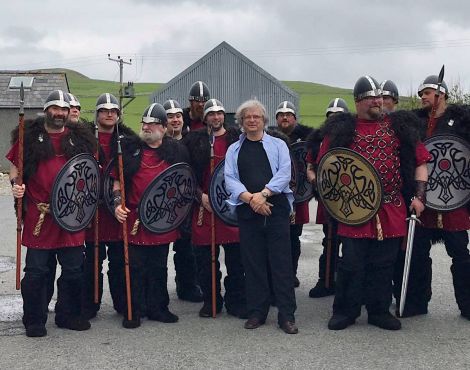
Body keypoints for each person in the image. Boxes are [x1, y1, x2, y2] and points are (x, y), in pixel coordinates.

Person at [317, 76, 431, 331]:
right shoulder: (341, 130)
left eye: (379, 97)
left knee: (384, 263)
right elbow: (325, 165)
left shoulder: (399, 126)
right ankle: (346, 310)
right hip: (354, 207)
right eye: (371, 98)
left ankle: (378, 310)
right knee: (351, 263)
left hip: (391, 205)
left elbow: (421, 162)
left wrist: (419, 196)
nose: (378, 101)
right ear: (358, 102)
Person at [7, 90, 96, 337]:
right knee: (37, 271)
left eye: (63, 109)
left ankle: (68, 315)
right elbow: (15, 168)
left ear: (69, 112)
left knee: (74, 269)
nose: (59, 113)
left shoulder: (82, 140)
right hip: (40, 215)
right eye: (54, 108)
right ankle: (35, 319)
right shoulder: (29, 136)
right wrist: (16, 184)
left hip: (72, 214)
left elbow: (90, 173)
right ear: (46, 110)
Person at [394, 75, 470, 320]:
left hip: (454, 198)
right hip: (424, 197)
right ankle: (417, 302)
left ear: (441, 94)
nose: (423, 97)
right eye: (421, 94)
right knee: (417, 253)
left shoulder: (462, 121)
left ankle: (467, 305)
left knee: (460, 253)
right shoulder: (415, 122)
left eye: (427, 93)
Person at [225, 99, 298, 334]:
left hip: (275, 209)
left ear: (264, 120)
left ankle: (286, 316)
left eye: (256, 116)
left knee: (281, 265)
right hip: (249, 212)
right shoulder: (234, 149)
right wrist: (251, 199)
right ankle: (257, 311)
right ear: (242, 122)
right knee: (253, 264)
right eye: (248, 117)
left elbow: (284, 173)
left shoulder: (278, 145)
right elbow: (230, 179)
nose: (252, 120)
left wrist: (264, 194)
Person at [114, 103, 188, 328]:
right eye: (144, 124)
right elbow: (116, 180)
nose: (147, 127)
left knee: (159, 266)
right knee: (135, 266)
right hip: (135, 217)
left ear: (164, 128)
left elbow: (183, 181)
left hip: (162, 218)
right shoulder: (129, 150)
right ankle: (133, 310)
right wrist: (118, 203)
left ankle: (158, 308)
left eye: (152, 124)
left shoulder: (175, 151)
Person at [184, 98, 246, 318]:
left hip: (231, 207)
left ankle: (236, 301)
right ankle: (211, 301)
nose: (216, 117)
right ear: (205, 118)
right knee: (205, 261)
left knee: (236, 260)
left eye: (219, 113)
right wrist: (200, 196)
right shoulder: (192, 142)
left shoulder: (237, 141)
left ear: (224, 116)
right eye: (211, 114)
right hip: (205, 208)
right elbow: (186, 175)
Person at [81, 93, 138, 319]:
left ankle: (123, 304)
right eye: (104, 110)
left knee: (119, 259)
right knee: (92, 260)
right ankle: (89, 304)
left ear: (118, 114)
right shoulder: (84, 138)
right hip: (92, 209)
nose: (109, 113)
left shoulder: (128, 140)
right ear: (97, 114)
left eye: (113, 110)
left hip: (116, 209)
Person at [306, 97, 349, 298]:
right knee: (329, 240)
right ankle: (326, 280)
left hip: (350, 198)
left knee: (351, 244)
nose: (334, 119)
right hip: (327, 197)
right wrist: (316, 181)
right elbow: (310, 167)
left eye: (338, 116)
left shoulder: (353, 137)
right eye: (331, 116)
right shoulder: (318, 139)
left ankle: (347, 283)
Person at [163, 98, 203, 302]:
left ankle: (187, 285)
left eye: (178, 116)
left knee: (187, 247)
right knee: (159, 251)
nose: (175, 120)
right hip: (164, 203)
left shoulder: (192, 142)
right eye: (170, 117)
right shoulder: (156, 143)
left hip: (187, 203)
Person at [274, 101, 312, 287]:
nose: (285, 117)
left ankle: (292, 273)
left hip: (298, 197)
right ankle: (280, 274)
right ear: (276, 119)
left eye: (288, 114)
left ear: (295, 118)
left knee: (294, 237)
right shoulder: (271, 139)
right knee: (278, 238)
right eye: (281, 115)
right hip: (278, 195)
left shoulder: (307, 138)